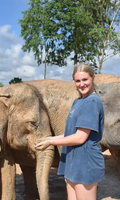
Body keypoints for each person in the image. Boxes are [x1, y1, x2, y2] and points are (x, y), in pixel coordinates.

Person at [35, 64, 105, 200]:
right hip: (73, 159)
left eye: (85, 79)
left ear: (93, 78)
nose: (82, 84)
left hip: (86, 161)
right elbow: (71, 133)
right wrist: (48, 138)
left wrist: (52, 142)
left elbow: (80, 138)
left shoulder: (92, 101)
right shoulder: (78, 102)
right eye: (78, 81)